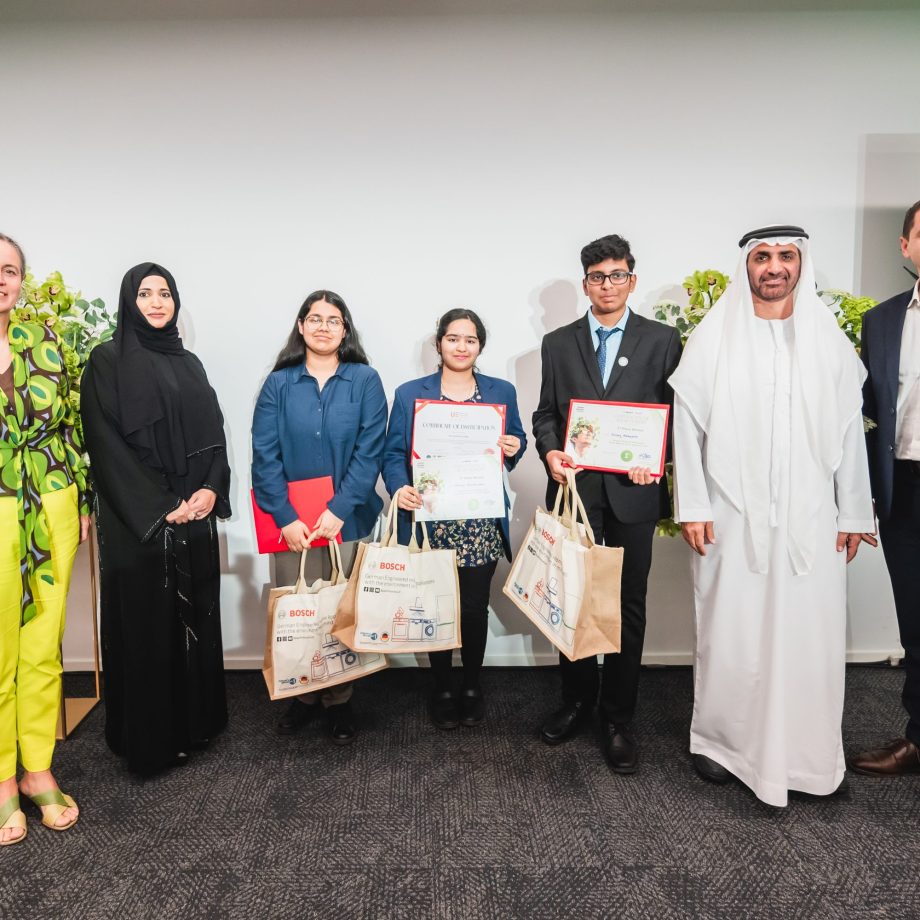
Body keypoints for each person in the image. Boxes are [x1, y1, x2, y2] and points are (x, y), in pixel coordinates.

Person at [671, 225, 876, 806]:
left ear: (801, 264)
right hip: (731, 519)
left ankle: (805, 754)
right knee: (731, 630)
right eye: (763, 257)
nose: (774, 266)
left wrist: (853, 512)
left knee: (808, 635)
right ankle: (722, 745)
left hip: (810, 517)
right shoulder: (715, 336)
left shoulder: (826, 338)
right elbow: (687, 424)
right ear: (747, 266)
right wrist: (692, 504)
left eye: (786, 256)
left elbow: (849, 432)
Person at [532, 234, 681, 773]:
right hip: (574, 494)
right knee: (571, 598)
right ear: (585, 284)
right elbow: (546, 414)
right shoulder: (558, 343)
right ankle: (576, 702)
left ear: (632, 280)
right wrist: (550, 453)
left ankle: (618, 717)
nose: (608, 285)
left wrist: (655, 458)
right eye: (598, 277)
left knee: (626, 607)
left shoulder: (662, 340)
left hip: (632, 493)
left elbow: (672, 416)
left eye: (618, 275)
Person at [81, 263, 231, 776]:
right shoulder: (106, 361)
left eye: (165, 293)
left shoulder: (188, 362)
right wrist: (161, 505)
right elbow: (106, 446)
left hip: (194, 515)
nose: (156, 302)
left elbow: (215, 430)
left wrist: (211, 488)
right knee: (148, 628)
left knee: (194, 619)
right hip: (139, 522)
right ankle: (151, 742)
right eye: (144, 293)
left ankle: (195, 726)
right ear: (129, 301)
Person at [252, 290, 386, 745]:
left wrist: (337, 510)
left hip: (346, 517)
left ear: (345, 329)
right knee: (301, 609)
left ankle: (339, 698)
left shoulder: (365, 380)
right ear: (301, 326)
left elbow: (370, 453)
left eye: (333, 319)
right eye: (315, 318)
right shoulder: (279, 384)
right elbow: (264, 454)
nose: (324, 326)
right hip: (291, 523)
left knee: (342, 609)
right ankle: (303, 694)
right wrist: (286, 517)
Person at [384, 308, 526, 729]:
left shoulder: (501, 392)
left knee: (473, 609)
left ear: (480, 346)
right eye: (453, 338)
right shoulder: (411, 393)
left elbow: (515, 447)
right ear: (439, 342)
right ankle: (442, 687)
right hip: (430, 518)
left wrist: (513, 446)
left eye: (470, 340)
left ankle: (471, 685)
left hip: (478, 517)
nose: (461, 347)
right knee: (434, 605)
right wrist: (398, 487)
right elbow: (393, 453)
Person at [0, 233, 90, 844]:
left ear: (21, 280)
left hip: (51, 497)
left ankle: (36, 769)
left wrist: (80, 497)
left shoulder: (48, 341)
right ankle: (1, 780)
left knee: (42, 640)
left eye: (8, 270)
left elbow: (73, 424)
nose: (0, 280)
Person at [852, 199, 920, 777]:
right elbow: (870, 412)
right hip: (907, 487)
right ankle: (917, 739)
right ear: (906, 246)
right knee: (915, 621)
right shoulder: (882, 320)